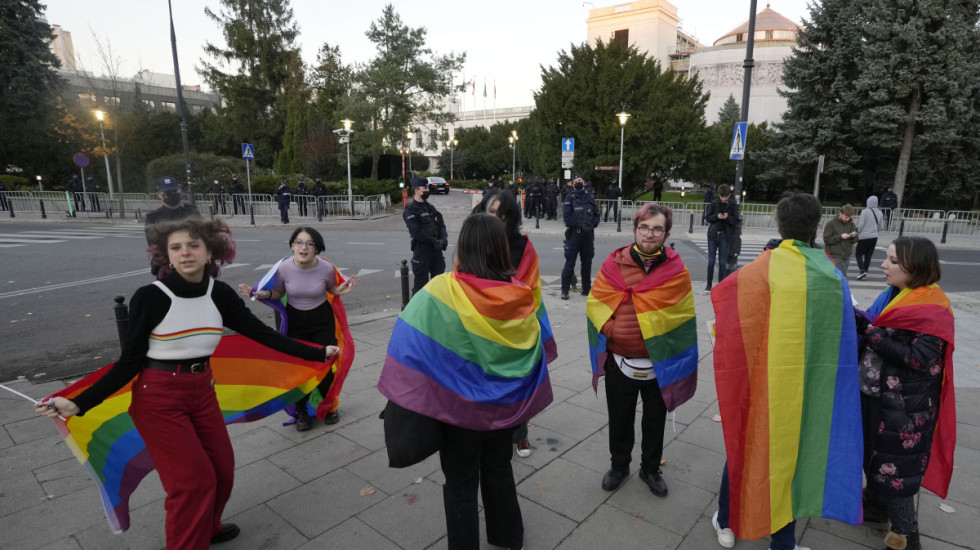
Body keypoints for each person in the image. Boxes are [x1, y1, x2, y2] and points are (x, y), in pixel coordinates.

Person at [36, 217, 337, 549]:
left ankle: (208, 527)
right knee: (192, 482)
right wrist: (79, 403)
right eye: (175, 248)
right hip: (159, 397)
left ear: (210, 252)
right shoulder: (150, 297)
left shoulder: (219, 294)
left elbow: (263, 334)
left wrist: (316, 353)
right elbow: (129, 361)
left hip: (203, 391)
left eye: (193, 245)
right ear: (166, 256)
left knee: (222, 470)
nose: (185, 253)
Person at [378, 213, 553, 550]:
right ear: (501, 250)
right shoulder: (520, 294)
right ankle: (508, 537)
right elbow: (537, 346)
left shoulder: (441, 290)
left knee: (459, 483)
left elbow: (408, 338)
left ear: (464, 248)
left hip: (456, 412)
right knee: (499, 471)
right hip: (505, 409)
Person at [709, 193, 863, 550]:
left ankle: (734, 519)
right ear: (815, 228)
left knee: (747, 449)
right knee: (792, 456)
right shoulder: (832, 276)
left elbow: (726, 306)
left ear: (778, 225)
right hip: (806, 386)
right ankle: (769, 534)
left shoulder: (758, 270)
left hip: (766, 382)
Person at [586, 203, 698, 497]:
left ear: (666, 233)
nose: (650, 234)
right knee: (620, 419)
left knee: (654, 420)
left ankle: (650, 469)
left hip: (659, 363)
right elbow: (596, 304)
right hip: (619, 360)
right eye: (644, 227)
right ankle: (619, 466)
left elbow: (683, 317)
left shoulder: (676, 270)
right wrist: (614, 331)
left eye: (657, 228)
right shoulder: (614, 264)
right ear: (635, 229)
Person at [857, 237, 955, 550]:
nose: (884, 265)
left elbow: (918, 358)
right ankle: (874, 507)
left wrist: (869, 332)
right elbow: (877, 325)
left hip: (902, 409)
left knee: (893, 475)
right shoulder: (894, 294)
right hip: (875, 396)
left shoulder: (932, 307)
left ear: (916, 268)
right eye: (887, 258)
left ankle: (905, 538)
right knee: (869, 457)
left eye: (893, 261)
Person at [238, 227, 358, 430]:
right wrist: (262, 294)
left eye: (310, 243)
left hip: (322, 320)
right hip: (296, 322)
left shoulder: (326, 268)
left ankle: (329, 407)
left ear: (317, 249)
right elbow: (278, 292)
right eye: (299, 242)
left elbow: (330, 289)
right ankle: (301, 411)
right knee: (298, 369)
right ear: (292, 246)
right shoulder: (284, 268)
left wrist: (341, 290)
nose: (304, 247)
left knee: (326, 364)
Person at [473, 191, 558, 458]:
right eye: (491, 212)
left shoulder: (523, 247)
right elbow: (462, 283)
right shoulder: (474, 243)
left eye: (502, 214)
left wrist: (504, 304)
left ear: (511, 218)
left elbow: (529, 290)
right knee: (485, 382)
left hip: (516, 327)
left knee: (518, 383)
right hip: (480, 327)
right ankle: (485, 429)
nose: (496, 219)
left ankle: (519, 436)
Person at [145, 176, 200, 276]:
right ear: (159, 195)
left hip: (192, 265)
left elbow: (202, 238)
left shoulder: (191, 211)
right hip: (167, 268)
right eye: (168, 193)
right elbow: (154, 246)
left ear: (180, 191)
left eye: (175, 191)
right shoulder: (153, 217)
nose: (172, 195)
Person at [404, 176, 448, 295]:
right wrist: (434, 240)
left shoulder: (430, 207)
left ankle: (434, 312)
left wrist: (444, 238)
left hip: (436, 251)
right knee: (420, 288)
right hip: (422, 252)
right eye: (425, 188)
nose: (427, 190)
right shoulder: (410, 210)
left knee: (438, 286)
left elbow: (441, 224)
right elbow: (416, 232)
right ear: (417, 190)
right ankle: (417, 313)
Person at [560, 174, 600, 300]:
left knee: (587, 264)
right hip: (574, 236)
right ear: (572, 184)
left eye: (580, 180)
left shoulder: (589, 197)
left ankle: (586, 289)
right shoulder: (569, 198)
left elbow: (596, 214)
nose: (578, 182)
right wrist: (580, 225)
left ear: (584, 182)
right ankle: (565, 290)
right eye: (575, 181)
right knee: (569, 264)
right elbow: (567, 218)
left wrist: (592, 225)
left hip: (587, 236)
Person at [704, 184, 739, 291]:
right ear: (719, 195)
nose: (724, 198)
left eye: (726, 196)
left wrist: (727, 218)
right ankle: (709, 284)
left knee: (722, 262)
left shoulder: (733, 204)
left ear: (729, 195)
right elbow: (708, 218)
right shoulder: (714, 202)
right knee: (711, 261)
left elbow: (735, 221)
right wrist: (716, 216)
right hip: (713, 235)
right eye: (722, 196)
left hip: (725, 234)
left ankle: (721, 284)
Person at [823, 204, 858, 277]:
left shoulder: (851, 224)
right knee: (843, 276)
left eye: (849, 217)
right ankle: (845, 288)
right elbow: (827, 239)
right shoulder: (831, 224)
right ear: (840, 213)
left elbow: (853, 241)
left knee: (838, 277)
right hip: (835, 255)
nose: (847, 219)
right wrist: (840, 236)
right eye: (845, 217)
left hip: (846, 255)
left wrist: (853, 236)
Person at [856, 195, 882, 280]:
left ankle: (862, 270)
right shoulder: (880, 212)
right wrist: (875, 231)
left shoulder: (865, 212)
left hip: (864, 236)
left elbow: (861, 224)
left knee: (858, 254)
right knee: (868, 256)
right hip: (874, 236)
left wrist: (857, 233)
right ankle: (865, 273)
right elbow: (881, 227)